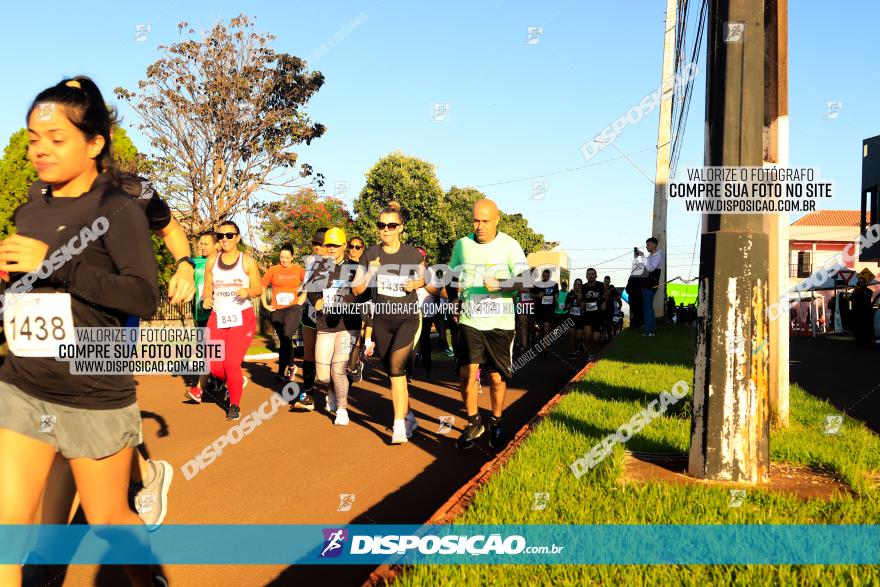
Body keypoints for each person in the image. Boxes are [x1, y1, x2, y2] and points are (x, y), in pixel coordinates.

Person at [0, 76, 160, 586]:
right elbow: (26, 294)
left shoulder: (116, 209)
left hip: (92, 390)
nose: (39, 150)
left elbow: (141, 296)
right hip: (24, 383)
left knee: (111, 519)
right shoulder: (29, 210)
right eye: (32, 138)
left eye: (55, 138)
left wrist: (55, 264)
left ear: (95, 144)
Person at [430, 198, 529, 451]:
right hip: (470, 320)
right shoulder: (462, 245)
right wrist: (453, 300)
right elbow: (451, 276)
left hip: (500, 323)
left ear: (497, 219)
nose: (480, 226)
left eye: (485, 221)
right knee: (466, 375)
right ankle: (474, 422)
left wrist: (502, 284)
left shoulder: (510, 245)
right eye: (476, 220)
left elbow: (526, 281)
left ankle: (496, 421)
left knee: (496, 378)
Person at [352, 203, 425, 442]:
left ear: (400, 228)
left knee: (396, 366)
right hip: (382, 320)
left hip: (408, 318)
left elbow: (427, 278)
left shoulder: (412, 254)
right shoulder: (370, 253)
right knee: (395, 373)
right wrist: (370, 273)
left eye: (391, 225)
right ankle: (409, 416)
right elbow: (356, 289)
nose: (386, 229)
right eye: (381, 225)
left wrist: (415, 284)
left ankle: (399, 427)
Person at [200, 221, 262, 421]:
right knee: (213, 363)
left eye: (229, 235)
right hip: (217, 316)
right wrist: (207, 298)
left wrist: (248, 292)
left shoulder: (248, 262)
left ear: (237, 237)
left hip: (241, 318)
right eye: (221, 235)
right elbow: (207, 288)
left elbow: (258, 289)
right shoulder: (212, 261)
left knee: (231, 363)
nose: (224, 239)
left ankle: (234, 404)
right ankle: (236, 381)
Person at [309, 227, 363, 426]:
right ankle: (331, 390)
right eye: (327, 245)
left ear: (344, 245)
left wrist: (349, 300)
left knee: (338, 370)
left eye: (334, 245)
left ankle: (342, 409)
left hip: (348, 326)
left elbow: (363, 294)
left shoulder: (356, 268)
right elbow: (311, 293)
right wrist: (316, 301)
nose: (330, 249)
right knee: (323, 376)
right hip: (325, 325)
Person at [291, 228, 329, 411]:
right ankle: (308, 394)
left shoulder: (336, 263)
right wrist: (301, 300)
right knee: (309, 351)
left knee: (328, 354)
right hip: (310, 311)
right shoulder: (311, 262)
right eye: (314, 244)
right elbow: (307, 285)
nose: (316, 248)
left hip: (330, 313)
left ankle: (334, 392)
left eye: (320, 244)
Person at [262, 243, 306, 382]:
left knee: (287, 335)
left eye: (287, 257)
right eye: (282, 257)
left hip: (294, 308)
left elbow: (310, 284)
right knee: (284, 340)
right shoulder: (273, 269)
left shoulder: (299, 269)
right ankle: (289, 367)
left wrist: (301, 299)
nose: (284, 260)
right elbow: (262, 286)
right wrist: (264, 304)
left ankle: (284, 370)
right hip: (277, 310)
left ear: (292, 257)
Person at [638, 237, 664, 336]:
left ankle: (648, 331)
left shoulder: (657, 256)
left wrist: (643, 256)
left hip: (650, 285)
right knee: (649, 308)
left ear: (654, 245)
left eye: (648, 245)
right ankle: (652, 330)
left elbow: (650, 268)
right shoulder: (650, 256)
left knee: (647, 308)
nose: (647, 247)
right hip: (647, 284)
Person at [531, 269, 559, 358]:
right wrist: (537, 295)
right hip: (540, 309)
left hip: (549, 309)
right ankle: (538, 342)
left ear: (550, 276)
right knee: (541, 330)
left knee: (547, 329)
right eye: (544, 276)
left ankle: (545, 349)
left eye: (547, 276)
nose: (546, 277)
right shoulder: (537, 284)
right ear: (542, 276)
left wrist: (556, 299)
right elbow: (531, 294)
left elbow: (556, 294)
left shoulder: (554, 284)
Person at [581, 268, 605, 360]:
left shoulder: (601, 285)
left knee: (595, 339)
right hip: (587, 314)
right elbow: (581, 299)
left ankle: (595, 351)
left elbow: (606, 294)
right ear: (586, 276)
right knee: (587, 336)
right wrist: (581, 303)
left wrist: (604, 303)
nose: (590, 276)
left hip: (598, 315)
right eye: (588, 274)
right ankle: (590, 354)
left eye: (592, 274)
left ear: (596, 275)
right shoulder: (583, 287)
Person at [851, 278, 874, 348]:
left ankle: (867, 343)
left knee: (867, 329)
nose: (861, 284)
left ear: (865, 283)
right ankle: (857, 343)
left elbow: (868, 295)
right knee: (858, 329)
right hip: (858, 313)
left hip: (866, 313)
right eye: (860, 282)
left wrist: (861, 290)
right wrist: (854, 292)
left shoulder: (869, 291)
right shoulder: (856, 291)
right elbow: (851, 299)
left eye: (862, 282)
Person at [565, 278, 584, 358]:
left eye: (579, 284)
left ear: (581, 285)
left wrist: (580, 302)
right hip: (572, 317)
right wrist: (569, 305)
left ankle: (580, 344)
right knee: (572, 336)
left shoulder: (584, 294)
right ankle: (573, 352)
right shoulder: (570, 294)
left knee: (579, 337)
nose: (577, 286)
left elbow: (583, 306)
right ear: (574, 285)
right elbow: (566, 306)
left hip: (581, 318)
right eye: (576, 284)